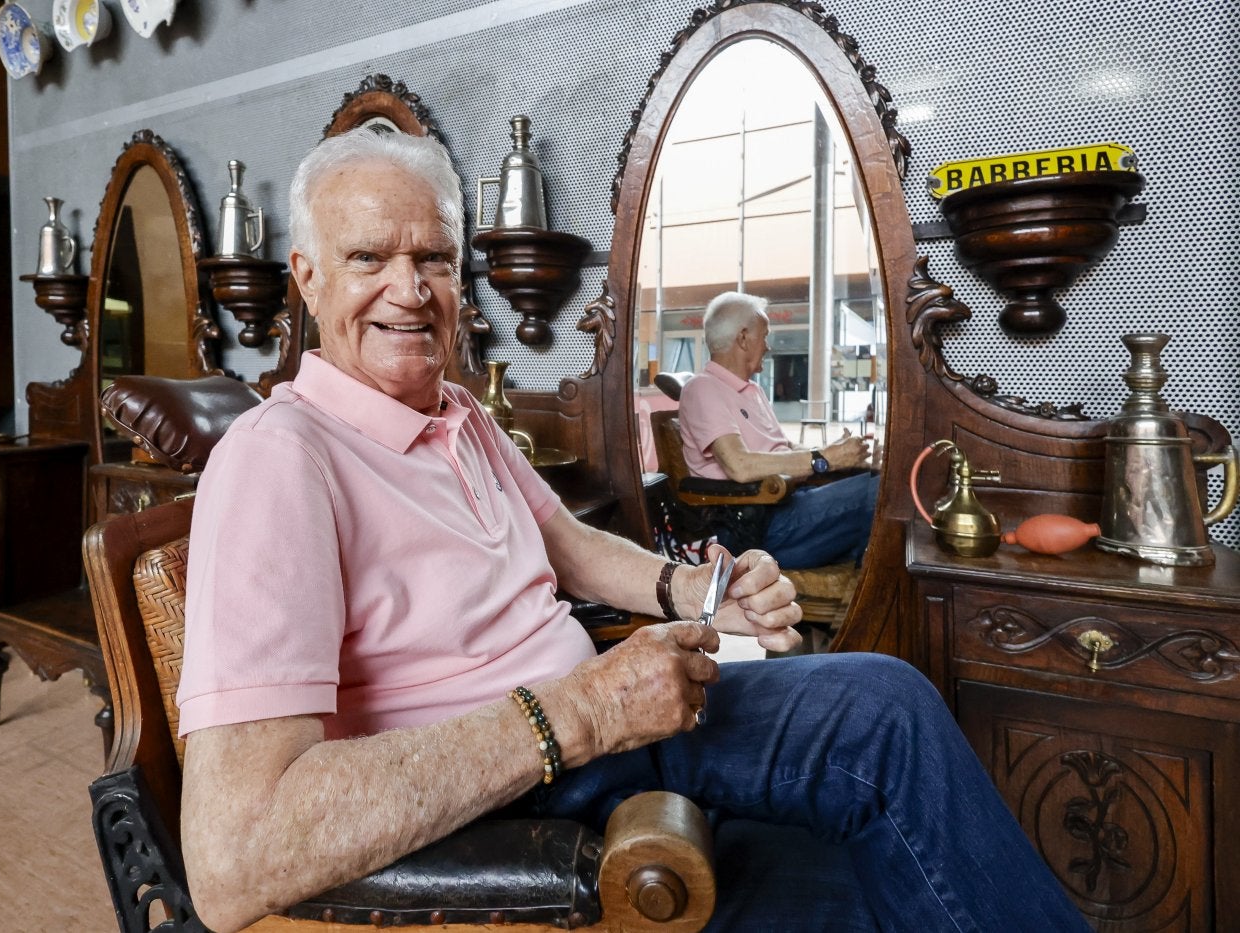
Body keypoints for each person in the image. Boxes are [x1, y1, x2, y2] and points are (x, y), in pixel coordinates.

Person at [175, 127, 1089, 932]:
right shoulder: (278, 459)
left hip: (590, 737)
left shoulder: (460, 415)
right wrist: (585, 709)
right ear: (306, 275)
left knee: (872, 867)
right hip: (523, 787)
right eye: (369, 258)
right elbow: (235, 857)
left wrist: (695, 590)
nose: (409, 291)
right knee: (884, 714)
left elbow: (565, 543)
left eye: (437, 261)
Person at [678, 292, 878, 567]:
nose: (768, 346)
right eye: (765, 336)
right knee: (882, 490)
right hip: (759, 528)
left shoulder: (753, 390)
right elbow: (739, 465)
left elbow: (784, 448)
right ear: (743, 338)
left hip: (789, 505)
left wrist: (834, 453)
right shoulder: (703, 388)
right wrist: (824, 459)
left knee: (881, 480)